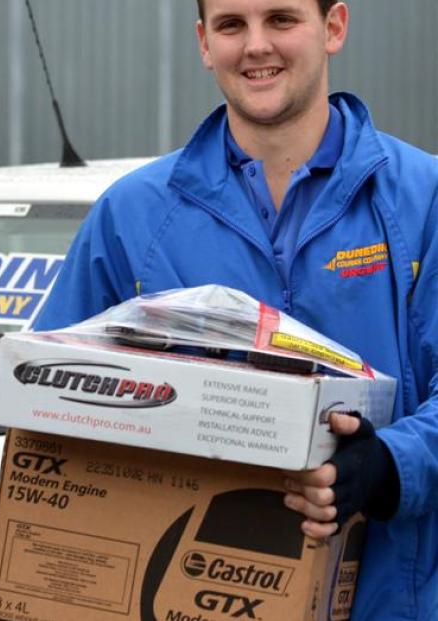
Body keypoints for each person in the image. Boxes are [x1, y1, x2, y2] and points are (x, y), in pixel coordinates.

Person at [33, 1, 437, 619]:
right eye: (231, 25)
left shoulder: (423, 200)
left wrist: (389, 464)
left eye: (280, 19)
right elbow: (49, 400)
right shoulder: (130, 216)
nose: (255, 46)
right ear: (203, 42)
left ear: (333, 27)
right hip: (188, 593)